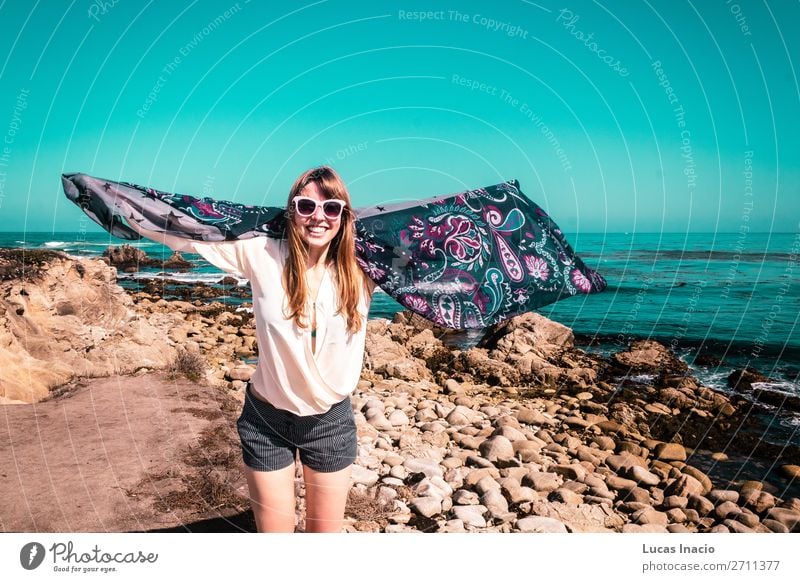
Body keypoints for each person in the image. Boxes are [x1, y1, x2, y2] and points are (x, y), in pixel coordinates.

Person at [128, 166, 375, 532]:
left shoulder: (365, 267)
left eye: (331, 208)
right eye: (306, 206)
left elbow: (439, 255)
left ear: (344, 215)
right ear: (291, 211)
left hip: (329, 423)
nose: (318, 217)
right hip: (266, 421)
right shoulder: (262, 252)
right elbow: (192, 231)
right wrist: (119, 201)